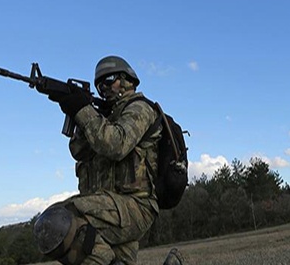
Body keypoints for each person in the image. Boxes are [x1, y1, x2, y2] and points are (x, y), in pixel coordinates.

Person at [32, 56, 183, 265]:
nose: (103, 88)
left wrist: (82, 110)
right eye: (99, 85)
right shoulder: (104, 118)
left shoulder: (140, 108)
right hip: (110, 207)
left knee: (57, 220)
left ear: (126, 79)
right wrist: (81, 112)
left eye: (109, 80)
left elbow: (116, 145)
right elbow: (78, 151)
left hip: (134, 206)